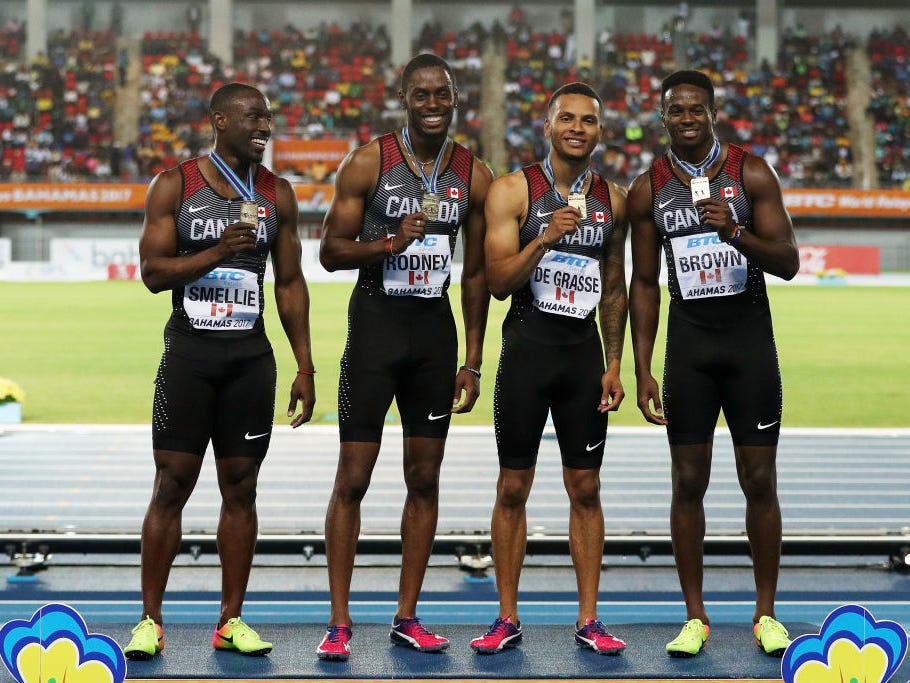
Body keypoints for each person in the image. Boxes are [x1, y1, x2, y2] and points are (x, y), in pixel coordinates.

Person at [123, 82, 316, 660]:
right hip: (189, 356)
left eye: (268, 117)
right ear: (219, 121)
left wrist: (305, 364)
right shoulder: (174, 184)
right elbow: (153, 272)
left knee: (241, 489)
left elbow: (288, 280)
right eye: (253, 116)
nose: (265, 125)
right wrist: (216, 252)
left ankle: (231, 620)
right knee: (171, 486)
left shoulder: (276, 192)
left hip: (250, 360)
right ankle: (150, 621)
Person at [316, 53, 493, 661]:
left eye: (442, 94)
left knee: (424, 478)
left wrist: (472, 358)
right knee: (354, 479)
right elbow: (329, 252)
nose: (434, 105)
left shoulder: (472, 172)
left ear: (455, 98)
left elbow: (476, 275)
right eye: (422, 95)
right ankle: (339, 621)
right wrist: (391, 242)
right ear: (404, 98)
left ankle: (407, 615)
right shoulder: (369, 161)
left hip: (434, 338)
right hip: (374, 333)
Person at [627, 70, 800, 658]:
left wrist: (740, 234)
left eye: (696, 110)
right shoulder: (647, 188)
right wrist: (643, 367)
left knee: (759, 481)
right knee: (687, 482)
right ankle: (694, 617)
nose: (687, 119)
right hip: (690, 350)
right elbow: (644, 283)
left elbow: (790, 262)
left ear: (713, 112)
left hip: (749, 344)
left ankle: (766, 613)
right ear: (663, 117)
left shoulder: (750, 173)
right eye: (676, 111)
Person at [470, 82, 629, 656]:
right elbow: (497, 283)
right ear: (548, 125)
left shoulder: (616, 196)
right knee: (513, 485)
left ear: (599, 131)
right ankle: (507, 616)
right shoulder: (514, 190)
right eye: (567, 118)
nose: (577, 128)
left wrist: (615, 363)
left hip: (582, 356)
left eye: (589, 120)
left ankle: (588, 619)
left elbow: (614, 287)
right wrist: (544, 237)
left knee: (585, 487)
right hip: (528, 349)